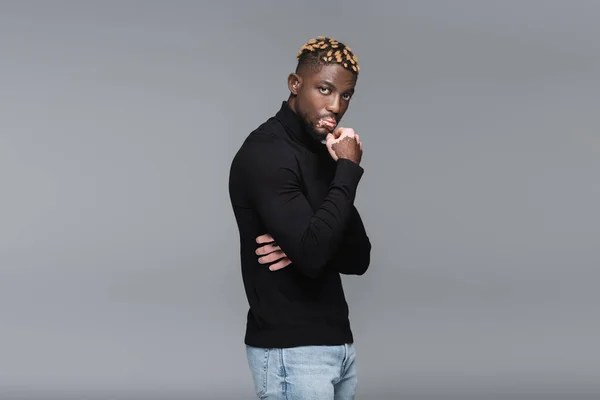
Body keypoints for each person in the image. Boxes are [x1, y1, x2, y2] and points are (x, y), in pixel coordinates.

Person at [228, 36, 371, 399]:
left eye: (346, 95)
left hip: (338, 346)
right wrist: (349, 171)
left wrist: (310, 239)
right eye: (324, 89)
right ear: (295, 84)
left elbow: (359, 258)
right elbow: (312, 255)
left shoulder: (325, 153)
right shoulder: (266, 153)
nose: (336, 106)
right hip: (291, 353)